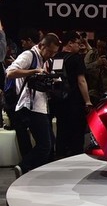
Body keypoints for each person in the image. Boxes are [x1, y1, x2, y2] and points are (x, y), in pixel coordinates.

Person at [5, 33, 61, 177]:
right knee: (45, 145)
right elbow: (9, 72)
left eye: (54, 52)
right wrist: (34, 71)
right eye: (49, 51)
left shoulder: (47, 61)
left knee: (48, 143)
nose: (51, 55)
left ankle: (29, 171)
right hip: (29, 106)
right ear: (41, 45)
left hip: (41, 105)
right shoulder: (29, 55)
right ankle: (24, 167)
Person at [52, 31, 93, 158]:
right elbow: (81, 81)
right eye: (77, 43)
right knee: (77, 133)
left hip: (59, 100)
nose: (79, 46)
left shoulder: (56, 57)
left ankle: (60, 157)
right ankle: (76, 158)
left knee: (61, 131)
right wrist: (87, 101)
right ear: (70, 43)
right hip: (75, 101)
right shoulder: (76, 58)